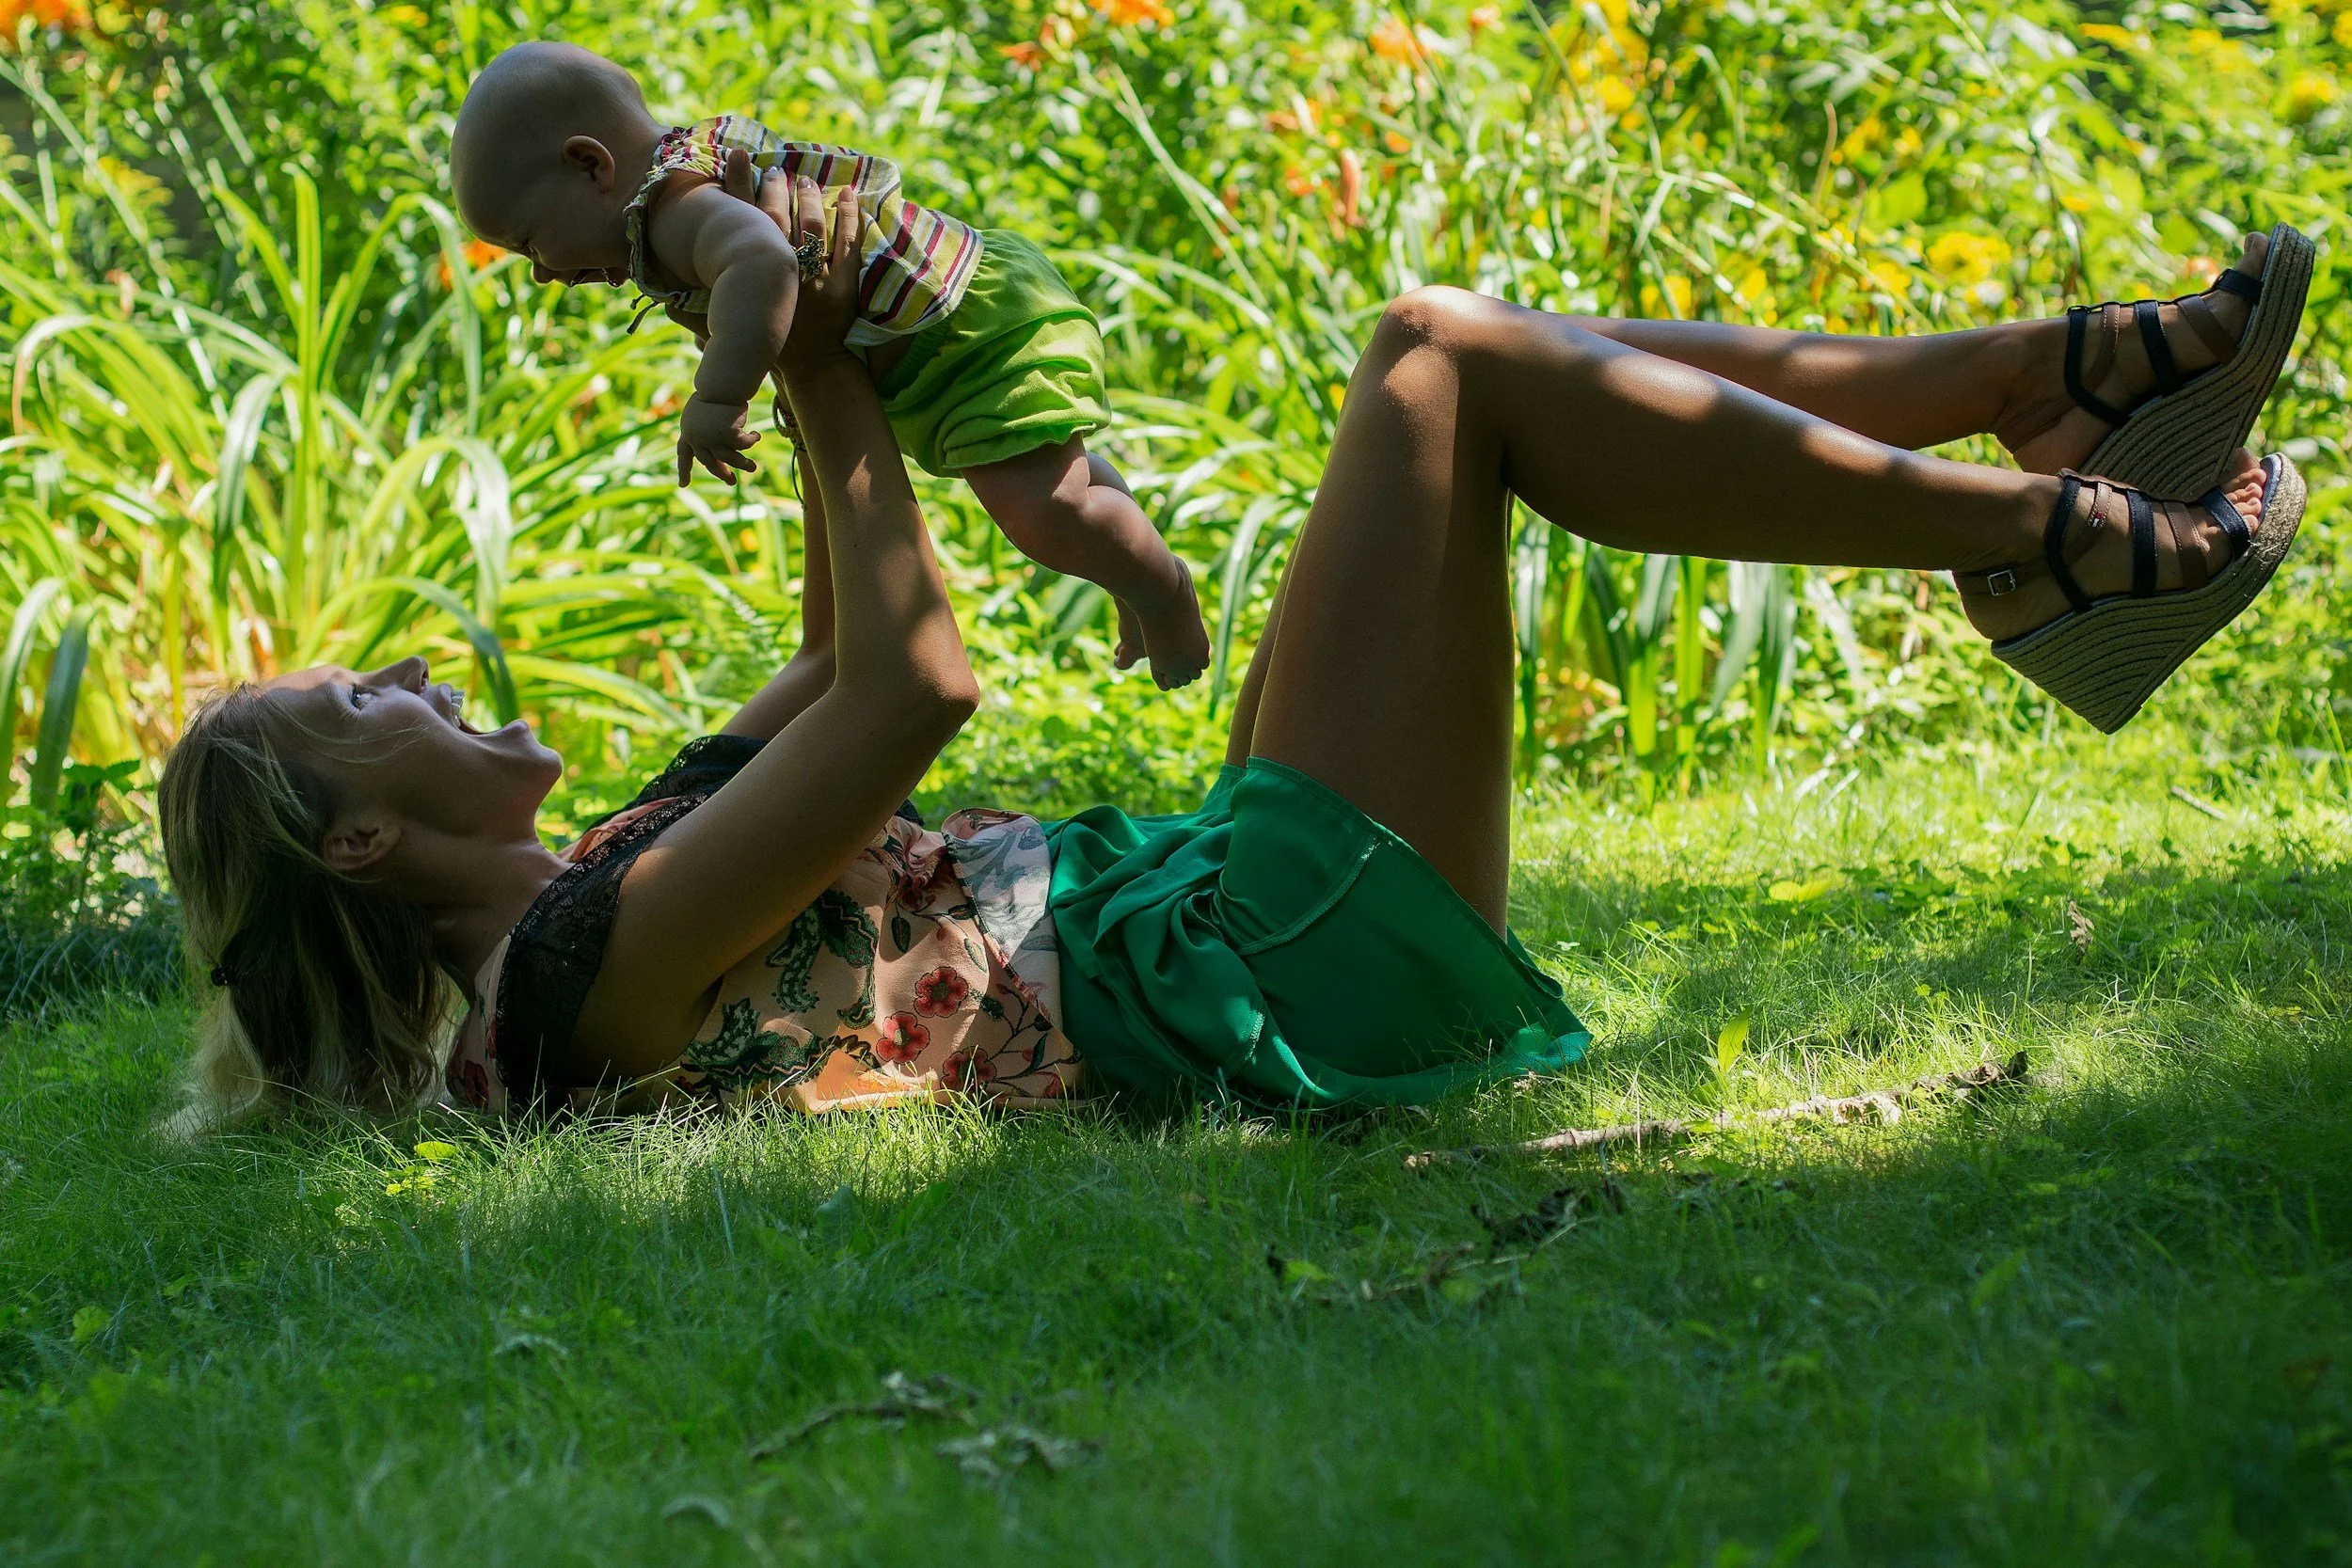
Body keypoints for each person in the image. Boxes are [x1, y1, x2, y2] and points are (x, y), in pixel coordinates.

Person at [157, 160, 2308, 1130]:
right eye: (376, 712)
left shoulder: (612, 870)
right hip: (1265, 973)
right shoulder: (580, 978)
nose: (427, 684)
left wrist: (803, 310)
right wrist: (805, 352)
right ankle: (2065, 520)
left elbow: (833, 655)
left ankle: (2052, 399)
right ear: (353, 846)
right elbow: (917, 693)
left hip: (1196, 905)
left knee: (1449, 363)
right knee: (1432, 371)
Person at [449, 40, 1210, 689]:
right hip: (940, 345)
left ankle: (1165, 590)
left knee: (1044, 514)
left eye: (528, 242)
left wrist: (717, 396)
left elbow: (766, 261)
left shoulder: (674, 207)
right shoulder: (684, 174)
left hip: (972, 332)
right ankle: (1133, 568)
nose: (543, 272)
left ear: (589, 165)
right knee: (1057, 492)